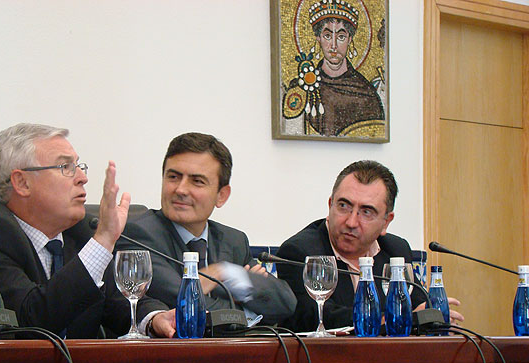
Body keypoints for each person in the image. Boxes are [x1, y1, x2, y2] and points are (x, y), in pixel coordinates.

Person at [0, 123, 157, 338]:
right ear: (22, 183)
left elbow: (120, 304)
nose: (83, 178)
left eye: (78, 166)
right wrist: (104, 240)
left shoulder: (77, 233)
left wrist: (155, 319)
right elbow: (31, 322)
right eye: (65, 167)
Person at [115, 132, 297, 338]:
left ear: (222, 195)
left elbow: (285, 305)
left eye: (197, 181)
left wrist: (226, 272)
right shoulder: (138, 234)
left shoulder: (234, 241)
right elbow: (187, 303)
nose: (181, 189)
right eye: (173, 177)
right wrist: (245, 303)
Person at [276, 160, 463, 333]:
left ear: (386, 222)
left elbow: (418, 306)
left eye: (366, 212)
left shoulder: (395, 251)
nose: (351, 222)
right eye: (343, 206)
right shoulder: (300, 252)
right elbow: (320, 318)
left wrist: (432, 314)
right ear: (330, 205)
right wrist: (403, 318)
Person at [283, 0, 384, 137]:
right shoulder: (303, 90)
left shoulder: (366, 94)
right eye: (327, 36)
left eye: (341, 37)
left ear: (350, 39)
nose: (334, 45)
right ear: (318, 38)